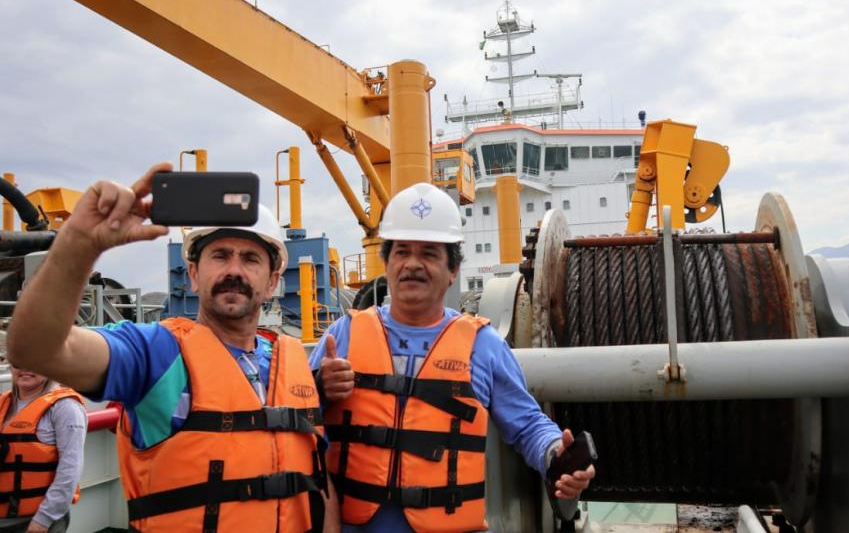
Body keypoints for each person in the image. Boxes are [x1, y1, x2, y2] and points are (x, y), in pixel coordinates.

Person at [6, 163, 339, 532]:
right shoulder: (155, 354)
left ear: (273, 281)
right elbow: (37, 350)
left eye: (250, 258)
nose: (234, 270)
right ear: (193, 275)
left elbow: (317, 483)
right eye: (220, 255)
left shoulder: (293, 360)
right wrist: (80, 244)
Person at [311, 183, 595, 532]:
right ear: (387, 263)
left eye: (429, 254)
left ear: (452, 271)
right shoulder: (342, 335)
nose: (412, 264)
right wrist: (319, 388)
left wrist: (557, 455)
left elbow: (527, 425)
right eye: (402, 252)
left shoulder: (484, 345)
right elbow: (298, 425)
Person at [0, 366, 85, 533]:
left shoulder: (65, 408)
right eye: (19, 362)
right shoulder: (3, 403)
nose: (25, 368)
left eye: (34, 361)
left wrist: (42, 521)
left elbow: (70, 470)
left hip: (36, 521)